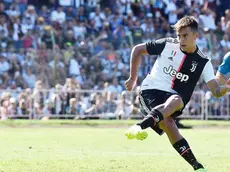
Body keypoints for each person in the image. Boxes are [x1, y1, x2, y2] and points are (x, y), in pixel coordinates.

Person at [124, 16, 230, 172]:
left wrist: (226, 88)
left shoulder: (203, 62)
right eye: (179, 36)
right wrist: (133, 78)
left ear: (196, 36)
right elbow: (138, 49)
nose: (181, 39)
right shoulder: (167, 44)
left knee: (169, 122)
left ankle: (197, 166)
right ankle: (139, 127)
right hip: (150, 91)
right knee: (175, 104)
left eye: (185, 35)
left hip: (171, 101)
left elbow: (215, 91)